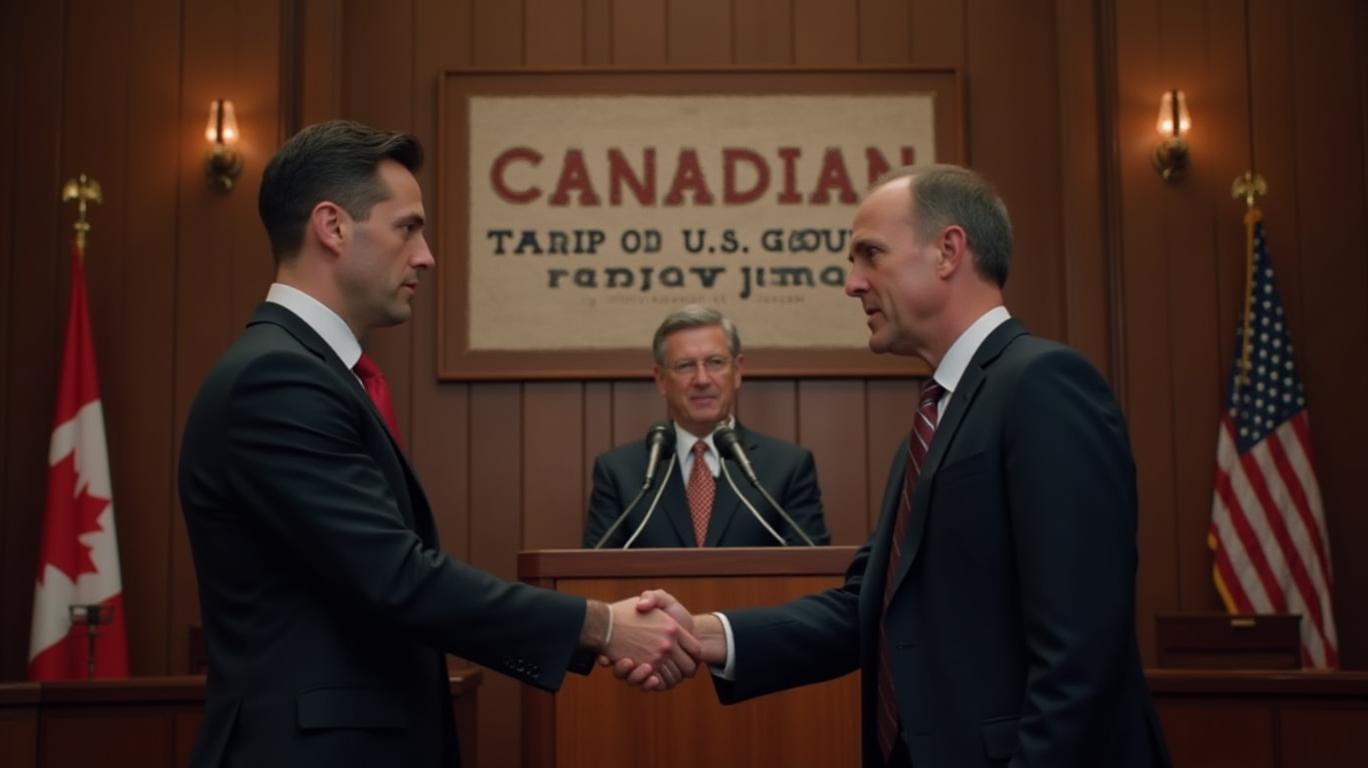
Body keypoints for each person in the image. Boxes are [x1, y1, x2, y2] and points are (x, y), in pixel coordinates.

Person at [177, 119, 697, 768]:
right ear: (332, 227)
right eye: (408, 228)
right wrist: (604, 626)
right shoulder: (276, 378)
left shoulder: (309, 371)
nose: (425, 255)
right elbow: (398, 578)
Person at [622, 165, 1171, 767]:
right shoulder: (938, 414)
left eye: (871, 255)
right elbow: (868, 607)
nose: (852, 283)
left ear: (948, 251)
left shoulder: (1043, 384)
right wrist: (702, 634)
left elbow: (1082, 649)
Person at [583, 306, 831, 549]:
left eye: (715, 362)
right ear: (661, 380)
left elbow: (811, 564)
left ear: (737, 371)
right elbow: (595, 568)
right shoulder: (619, 472)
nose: (702, 379)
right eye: (685, 366)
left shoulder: (788, 466)